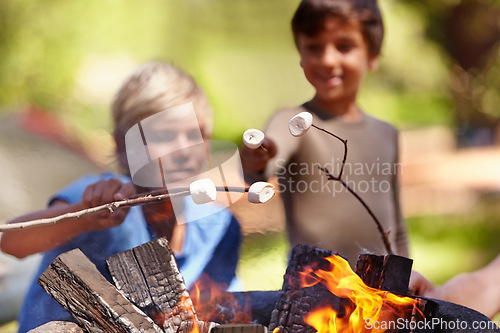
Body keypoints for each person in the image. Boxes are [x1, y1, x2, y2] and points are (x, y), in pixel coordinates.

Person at [0, 62, 242, 332]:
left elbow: (227, 309)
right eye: (163, 135)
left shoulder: (218, 225)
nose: (183, 149)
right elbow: (13, 242)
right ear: (122, 145)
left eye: (194, 134)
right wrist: (86, 216)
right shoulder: (101, 197)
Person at [241, 0, 408, 267]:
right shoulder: (293, 123)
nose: (328, 60)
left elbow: (396, 227)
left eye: (344, 46)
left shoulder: (386, 134)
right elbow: (264, 162)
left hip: (378, 295)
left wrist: (406, 276)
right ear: (300, 55)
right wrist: (257, 157)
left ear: (372, 55)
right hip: (315, 291)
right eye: (314, 47)